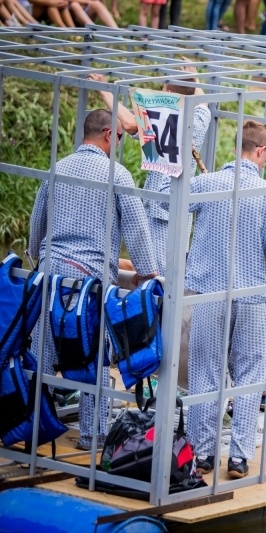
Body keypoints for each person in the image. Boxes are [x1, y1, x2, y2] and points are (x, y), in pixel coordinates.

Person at [28, 109, 158, 451]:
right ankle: (92, 435)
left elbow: (36, 227)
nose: (118, 144)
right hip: (89, 282)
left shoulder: (56, 169)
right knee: (93, 357)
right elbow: (138, 232)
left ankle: (28, 424)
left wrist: (37, 257)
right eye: (118, 137)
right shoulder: (117, 174)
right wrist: (148, 273)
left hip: (49, 274)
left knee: (40, 352)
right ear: (106, 134)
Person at [183, 120, 266, 478]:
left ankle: (201, 454)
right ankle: (239, 457)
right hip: (253, 297)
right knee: (248, 377)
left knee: (205, 373)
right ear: (260, 151)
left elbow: (170, 210)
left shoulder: (206, 183)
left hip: (209, 294)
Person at [88, 68, 211, 277]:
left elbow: (128, 123)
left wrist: (104, 91)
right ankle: (103, 263)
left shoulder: (161, 119)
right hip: (181, 208)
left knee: (156, 270)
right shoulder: (199, 118)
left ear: (168, 91)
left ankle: (101, 265)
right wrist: (194, 76)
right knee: (165, 265)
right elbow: (201, 100)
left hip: (158, 207)